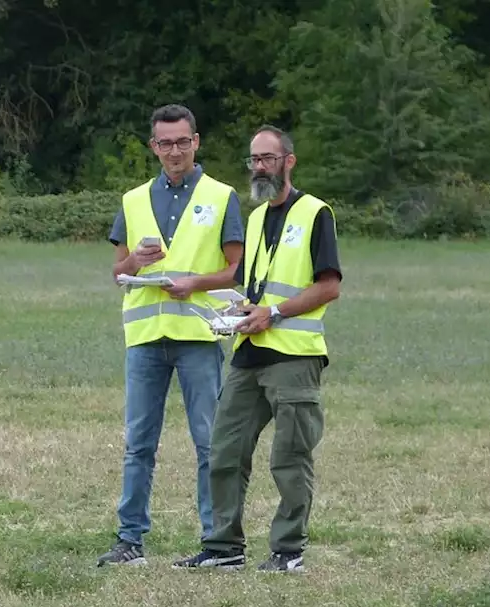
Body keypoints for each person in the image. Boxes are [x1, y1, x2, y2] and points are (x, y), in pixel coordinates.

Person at [174, 124, 342, 574]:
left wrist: (275, 313)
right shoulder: (254, 218)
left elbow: (329, 286)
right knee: (224, 449)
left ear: (289, 160)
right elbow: (255, 288)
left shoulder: (314, 213)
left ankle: (288, 552)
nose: (259, 167)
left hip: (294, 354)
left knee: (289, 456)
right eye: (253, 159)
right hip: (250, 353)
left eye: (268, 158)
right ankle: (224, 547)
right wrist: (240, 312)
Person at [96, 103, 245, 567]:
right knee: (138, 443)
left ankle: (217, 542)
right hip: (145, 338)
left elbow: (236, 269)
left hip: (198, 336)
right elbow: (117, 272)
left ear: (196, 142)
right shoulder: (134, 199)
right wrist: (133, 264)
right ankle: (130, 540)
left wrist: (194, 284)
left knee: (209, 442)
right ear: (153, 146)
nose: (174, 151)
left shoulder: (222, 197)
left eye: (183, 141)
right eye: (165, 143)